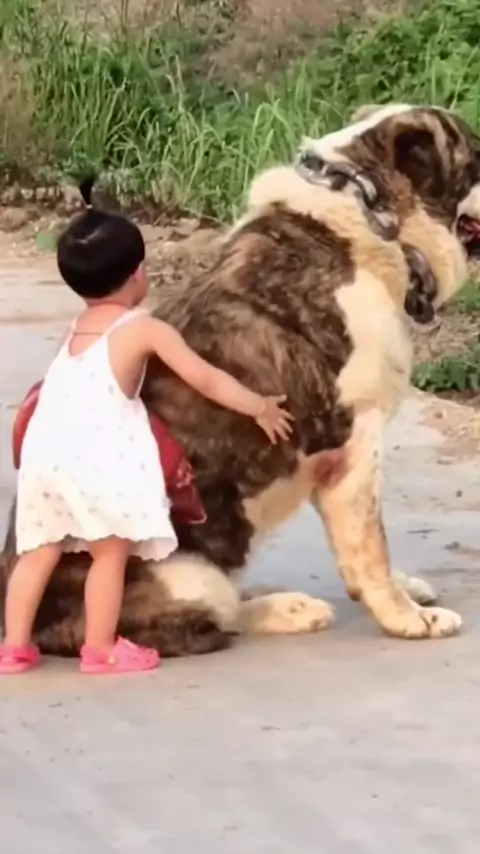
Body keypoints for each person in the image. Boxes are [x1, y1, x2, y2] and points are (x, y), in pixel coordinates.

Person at [0, 176, 294, 676]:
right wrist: (259, 407)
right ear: (138, 274)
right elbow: (205, 378)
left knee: (38, 554)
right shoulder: (143, 330)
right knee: (109, 555)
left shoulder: (75, 331)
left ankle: (14, 646)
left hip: (45, 463)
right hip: (96, 466)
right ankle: (101, 648)